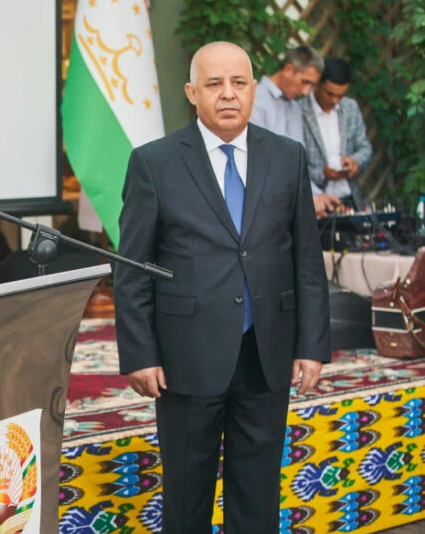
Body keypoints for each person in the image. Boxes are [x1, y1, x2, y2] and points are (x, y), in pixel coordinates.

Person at [115, 41, 330, 533]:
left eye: (238, 83)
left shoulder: (288, 158)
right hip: (185, 360)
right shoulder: (155, 163)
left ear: (255, 89)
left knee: (257, 499)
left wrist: (312, 345)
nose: (228, 94)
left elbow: (306, 261)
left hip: (266, 355)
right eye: (214, 84)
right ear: (192, 93)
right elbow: (132, 267)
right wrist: (139, 352)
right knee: (187, 498)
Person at [250, 45, 340, 217]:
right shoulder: (254, 101)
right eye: (305, 82)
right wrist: (304, 199)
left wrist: (316, 194)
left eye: (312, 86)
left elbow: (296, 164)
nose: (306, 92)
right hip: (262, 209)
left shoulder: (295, 108)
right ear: (288, 69)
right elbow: (259, 163)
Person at [302, 57, 372, 206]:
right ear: (317, 84)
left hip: (349, 198)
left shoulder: (350, 108)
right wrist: (321, 174)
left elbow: (365, 148)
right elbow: (292, 165)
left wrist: (355, 162)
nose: (335, 100)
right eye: (330, 94)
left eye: (341, 95)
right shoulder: (299, 111)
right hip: (315, 201)